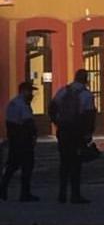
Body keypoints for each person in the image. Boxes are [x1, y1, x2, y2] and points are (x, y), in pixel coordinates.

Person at [49, 69, 96, 204]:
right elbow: (89, 115)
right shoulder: (86, 95)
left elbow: (52, 107)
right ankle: (75, 194)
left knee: (64, 162)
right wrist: (88, 133)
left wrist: (57, 122)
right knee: (76, 163)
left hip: (64, 130)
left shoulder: (63, 91)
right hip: (77, 131)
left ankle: (62, 193)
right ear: (86, 79)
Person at [0, 80, 39, 202]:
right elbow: (28, 121)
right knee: (27, 166)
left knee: (12, 165)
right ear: (24, 91)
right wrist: (33, 135)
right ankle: (25, 193)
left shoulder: (13, 103)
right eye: (30, 91)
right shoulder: (22, 104)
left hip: (14, 137)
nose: (32, 94)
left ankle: (3, 189)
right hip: (23, 139)